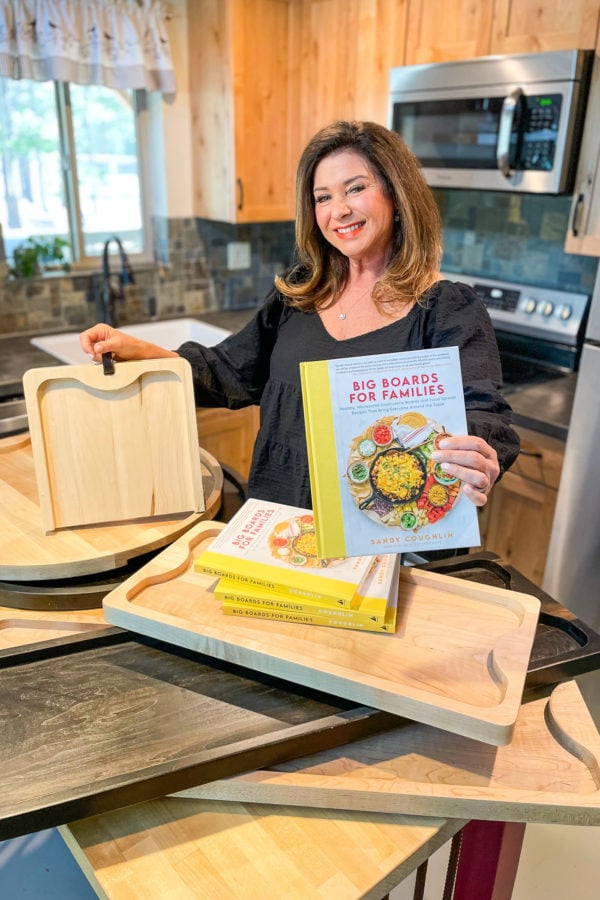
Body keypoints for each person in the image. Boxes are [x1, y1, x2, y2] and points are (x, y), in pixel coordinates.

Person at [80, 120, 519, 512]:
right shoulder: (300, 292)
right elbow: (229, 371)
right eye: (322, 197)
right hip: (281, 526)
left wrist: (477, 454)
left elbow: (485, 415)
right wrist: (146, 354)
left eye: (355, 188)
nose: (338, 210)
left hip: (391, 538)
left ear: (397, 193)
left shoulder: (446, 308)